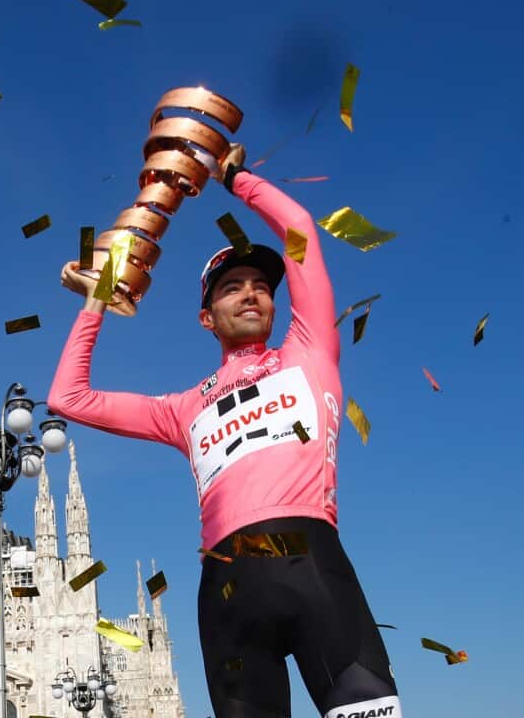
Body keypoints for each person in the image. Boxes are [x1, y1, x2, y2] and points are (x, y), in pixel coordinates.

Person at [48, 144, 402, 718]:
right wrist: (95, 303)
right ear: (206, 317)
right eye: (232, 287)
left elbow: (300, 230)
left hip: (310, 562)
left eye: (261, 284)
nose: (251, 292)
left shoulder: (308, 353)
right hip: (227, 588)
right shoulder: (186, 407)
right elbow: (69, 397)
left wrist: (236, 178)